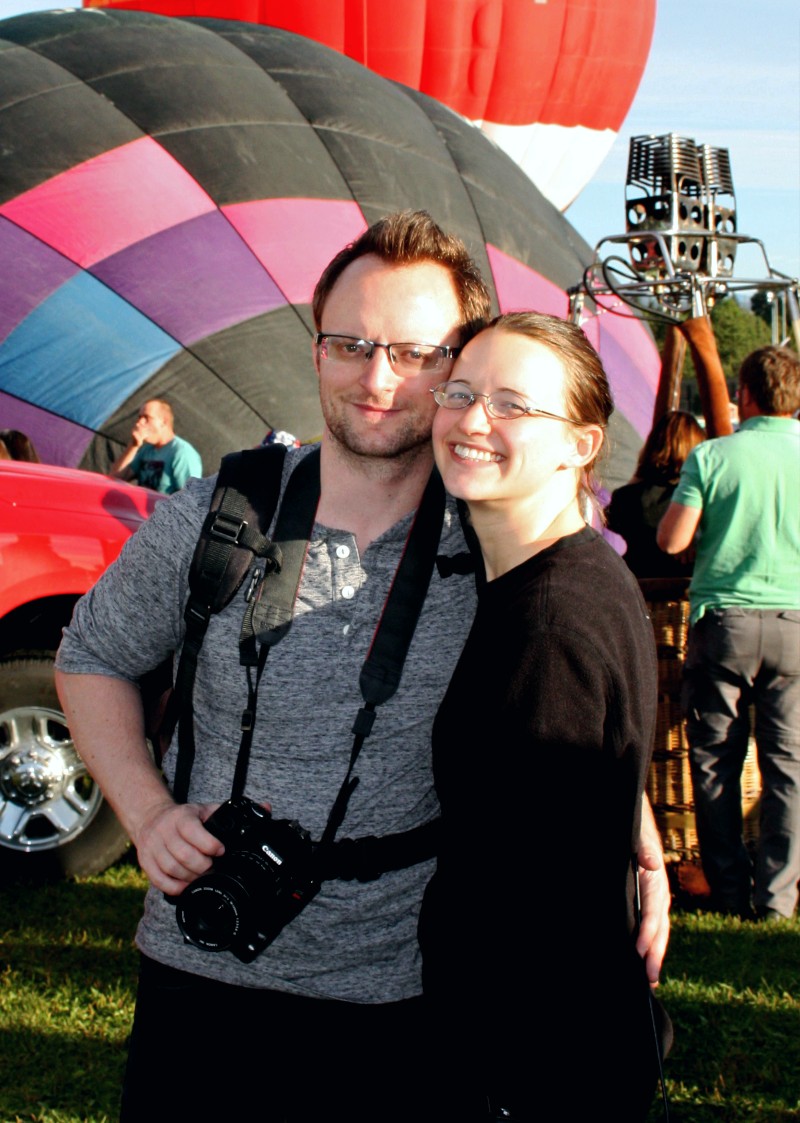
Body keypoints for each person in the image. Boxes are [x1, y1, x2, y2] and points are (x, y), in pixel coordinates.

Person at [55, 213, 669, 1122]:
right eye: (351, 344)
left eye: (418, 354)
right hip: (203, 966)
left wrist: (636, 836)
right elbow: (92, 652)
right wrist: (146, 816)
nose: (379, 379)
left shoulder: (491, 532)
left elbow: (563, 692)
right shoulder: (220, 512)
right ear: (315, 352)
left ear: (455, 366)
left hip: (404, 1001)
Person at [418, 312, 668, 1120]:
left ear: (581, 444)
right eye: (459, 392)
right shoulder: (583, 572)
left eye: (514, 404)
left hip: (533, 1070)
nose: (473, 419)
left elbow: (532, 914)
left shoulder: (547, 626)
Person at [658, 345, 800, 921]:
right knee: (787, 766)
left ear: (745, 394)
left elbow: (671, 540)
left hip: (726, 623)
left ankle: (729, 892)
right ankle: (779, 901)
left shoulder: (713, 456)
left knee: (715, 759)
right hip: (795, 622)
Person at [606, 409, 705, 578]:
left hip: (639, 584)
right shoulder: (696, 499)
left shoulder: (626, 497)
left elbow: (612, 521)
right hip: (684, 589)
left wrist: (641, 470)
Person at [109, 398, 202, 494]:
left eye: (146, 417)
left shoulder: (182, 452)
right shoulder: (146, 449)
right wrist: (133, 446)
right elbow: (115, 478)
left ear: (163, 422)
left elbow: (191, 498)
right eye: (139, 417)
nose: (139, 422)